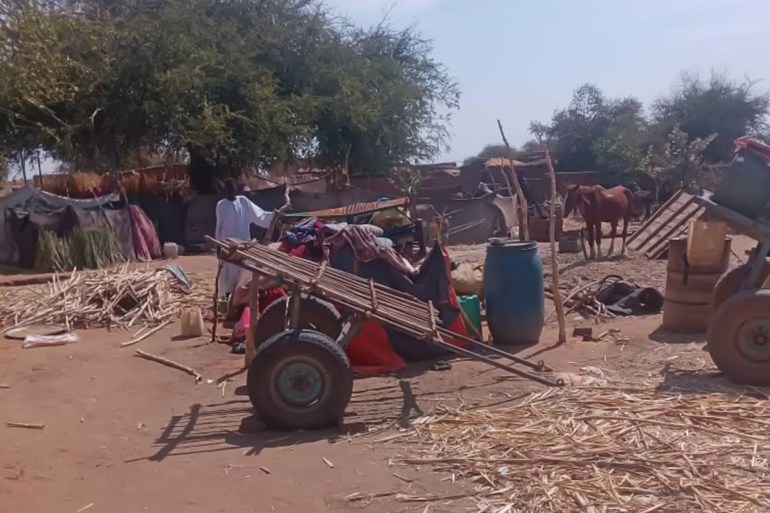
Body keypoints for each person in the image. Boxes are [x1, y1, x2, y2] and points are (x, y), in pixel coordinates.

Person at [215, 179, 275, 296]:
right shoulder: (221, 205)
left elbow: (259, 214)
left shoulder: (243, 202)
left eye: (232, 189)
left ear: (235, 189)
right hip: (227, 248)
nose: (231, 192)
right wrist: (218, 246)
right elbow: (218, 227)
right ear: (226, 191)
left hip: (243, 248)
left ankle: (235, 305)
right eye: (228, 190)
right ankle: (224, 306)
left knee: (241, 278)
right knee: (225, 280)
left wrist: (273, 216)